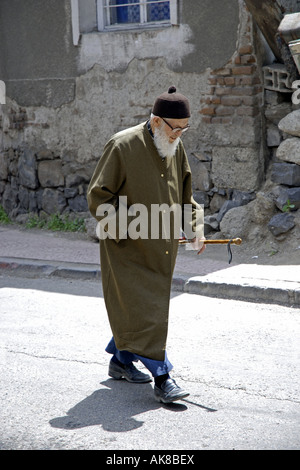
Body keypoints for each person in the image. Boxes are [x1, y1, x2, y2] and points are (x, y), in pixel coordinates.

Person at [87, 86, 205, 404]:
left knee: (138, 313)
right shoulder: (122, 145)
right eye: (174, 128)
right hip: (126, 251)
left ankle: (121, 361)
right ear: (155, 122)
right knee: (146, 312)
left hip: (161, 252)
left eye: (184, 129)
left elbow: (185, 198)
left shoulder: (174, 147)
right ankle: (163, 378)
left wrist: (194, 229)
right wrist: (134, 226)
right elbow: (98, 198)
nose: (179, 135)